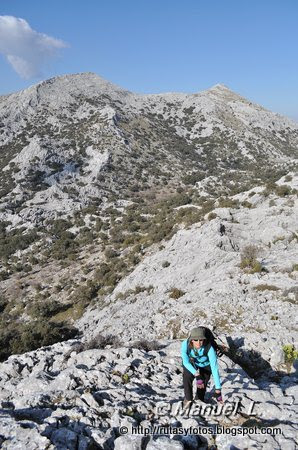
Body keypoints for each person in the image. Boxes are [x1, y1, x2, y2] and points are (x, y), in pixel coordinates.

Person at [181, 326, 223, 407]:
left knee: (202, 382)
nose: (198, 342)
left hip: (206, 365)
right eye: (195, 340)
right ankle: (188, 398)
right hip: (192, 363)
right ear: (191, 340)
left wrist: (218, 389)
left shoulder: (209, 348)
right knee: (187, 376)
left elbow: (214, 368)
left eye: (201, 340)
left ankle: (199, 399)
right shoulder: (185, 344)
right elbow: (185, 362)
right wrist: (196, 374)